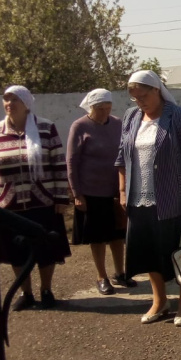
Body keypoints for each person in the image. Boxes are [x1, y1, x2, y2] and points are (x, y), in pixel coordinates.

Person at [116, 71, 181, 327]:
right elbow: (121, 157)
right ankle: (159, 300)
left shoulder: (178, 116)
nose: (139, 102)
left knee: (180, 252)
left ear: (157, 90)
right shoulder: (131, 118)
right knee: (149, 252)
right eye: (135, 98)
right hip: (138, 199)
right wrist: (122, 191)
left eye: (143, 96)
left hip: (172, 198)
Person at [0, 85, 71, 310]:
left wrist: (60, 198)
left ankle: (46, 290)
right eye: (6, 100)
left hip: (42, 202)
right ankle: (25, 292)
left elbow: (58, 164)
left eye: (14, 100)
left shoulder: (46, 128)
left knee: (45, 250)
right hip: (7, 206)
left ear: (26, 103)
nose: (9, 104)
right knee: (15, 252)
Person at [67, 89, 136, 296]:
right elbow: (71, 161)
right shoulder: (80, 126)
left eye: (108, 108)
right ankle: (101, 276)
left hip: (115, 190)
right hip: (91, 192)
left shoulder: (117, 124)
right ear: (91, 107)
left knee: (117, 234)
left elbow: (126, 152)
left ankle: (120, 272)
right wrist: (77, 193)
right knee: (97, 238)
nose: (105, 112)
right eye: (100, 109)